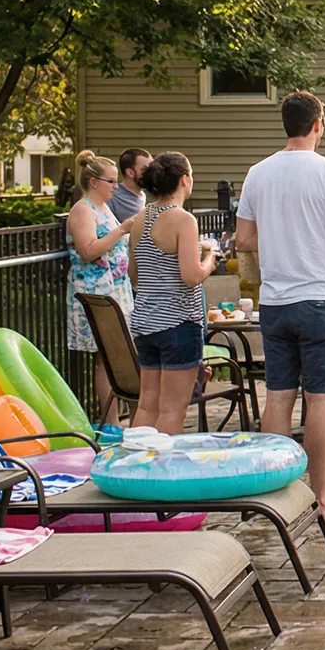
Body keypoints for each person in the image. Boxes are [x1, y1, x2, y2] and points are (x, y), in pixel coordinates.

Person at [235, 91, 325, 522]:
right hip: (322, 297)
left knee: (278, 396)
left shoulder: (257, 172)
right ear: (318, 124)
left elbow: (245, 240)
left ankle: (275, 495)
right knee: (321, 400)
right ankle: (322, 498)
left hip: (274, 300)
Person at [127, 153, 216, 435]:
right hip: (178, 324)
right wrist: (210, 258)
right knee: (172, 409)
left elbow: (134, 273)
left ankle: (138, 468)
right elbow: (191, 276)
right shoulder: (183, 220)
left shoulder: (140, 218)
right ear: (184, 180)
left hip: (145, 323)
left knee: (147, 405)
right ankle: (164, 474)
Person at [66, 151, 140, 422]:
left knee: (118, 356)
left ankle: (126, 417)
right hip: (97, 294)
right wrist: (122, 230)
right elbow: (88, 250)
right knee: (104, 357)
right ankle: (111, 422)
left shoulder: (104, 208)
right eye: (111, 181)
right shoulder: (82, 210)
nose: (116, 186)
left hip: (115, 291)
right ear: (94, 181)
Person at [109, 148, 151, 223]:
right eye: (146, 170)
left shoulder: (141, 194)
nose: (152, 173)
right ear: (130, 173)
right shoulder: (112, 198)